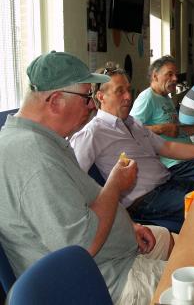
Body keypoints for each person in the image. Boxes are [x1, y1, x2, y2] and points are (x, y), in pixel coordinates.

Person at [0, 51, 173, 305]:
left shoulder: (47, 140)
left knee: (189, 246)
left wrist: (128, 227)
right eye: (86, 97)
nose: (92, 105)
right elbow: (82, 245)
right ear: (56, 100)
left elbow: (80, 204)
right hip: (109, 278)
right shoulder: (32, 157)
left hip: (119, 249)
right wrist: (115, 185)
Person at [70, 66, 194, 232]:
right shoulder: (92, 133)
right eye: (120, 91)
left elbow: (168, 147)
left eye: (128, 90)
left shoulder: (133, 122)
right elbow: (72, 178)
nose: (128, 97)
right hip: (147, 201)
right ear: (101, 96)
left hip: (169, 182)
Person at [130, 56, 194, 180]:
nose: (175, 78)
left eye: (175, 74)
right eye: (169, 74)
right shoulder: (147, 97)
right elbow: (131, 130)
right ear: (155, 76)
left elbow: (175, 130)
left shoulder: (165, 97)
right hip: (175, 165)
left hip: (188, 157)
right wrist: (160, 129)